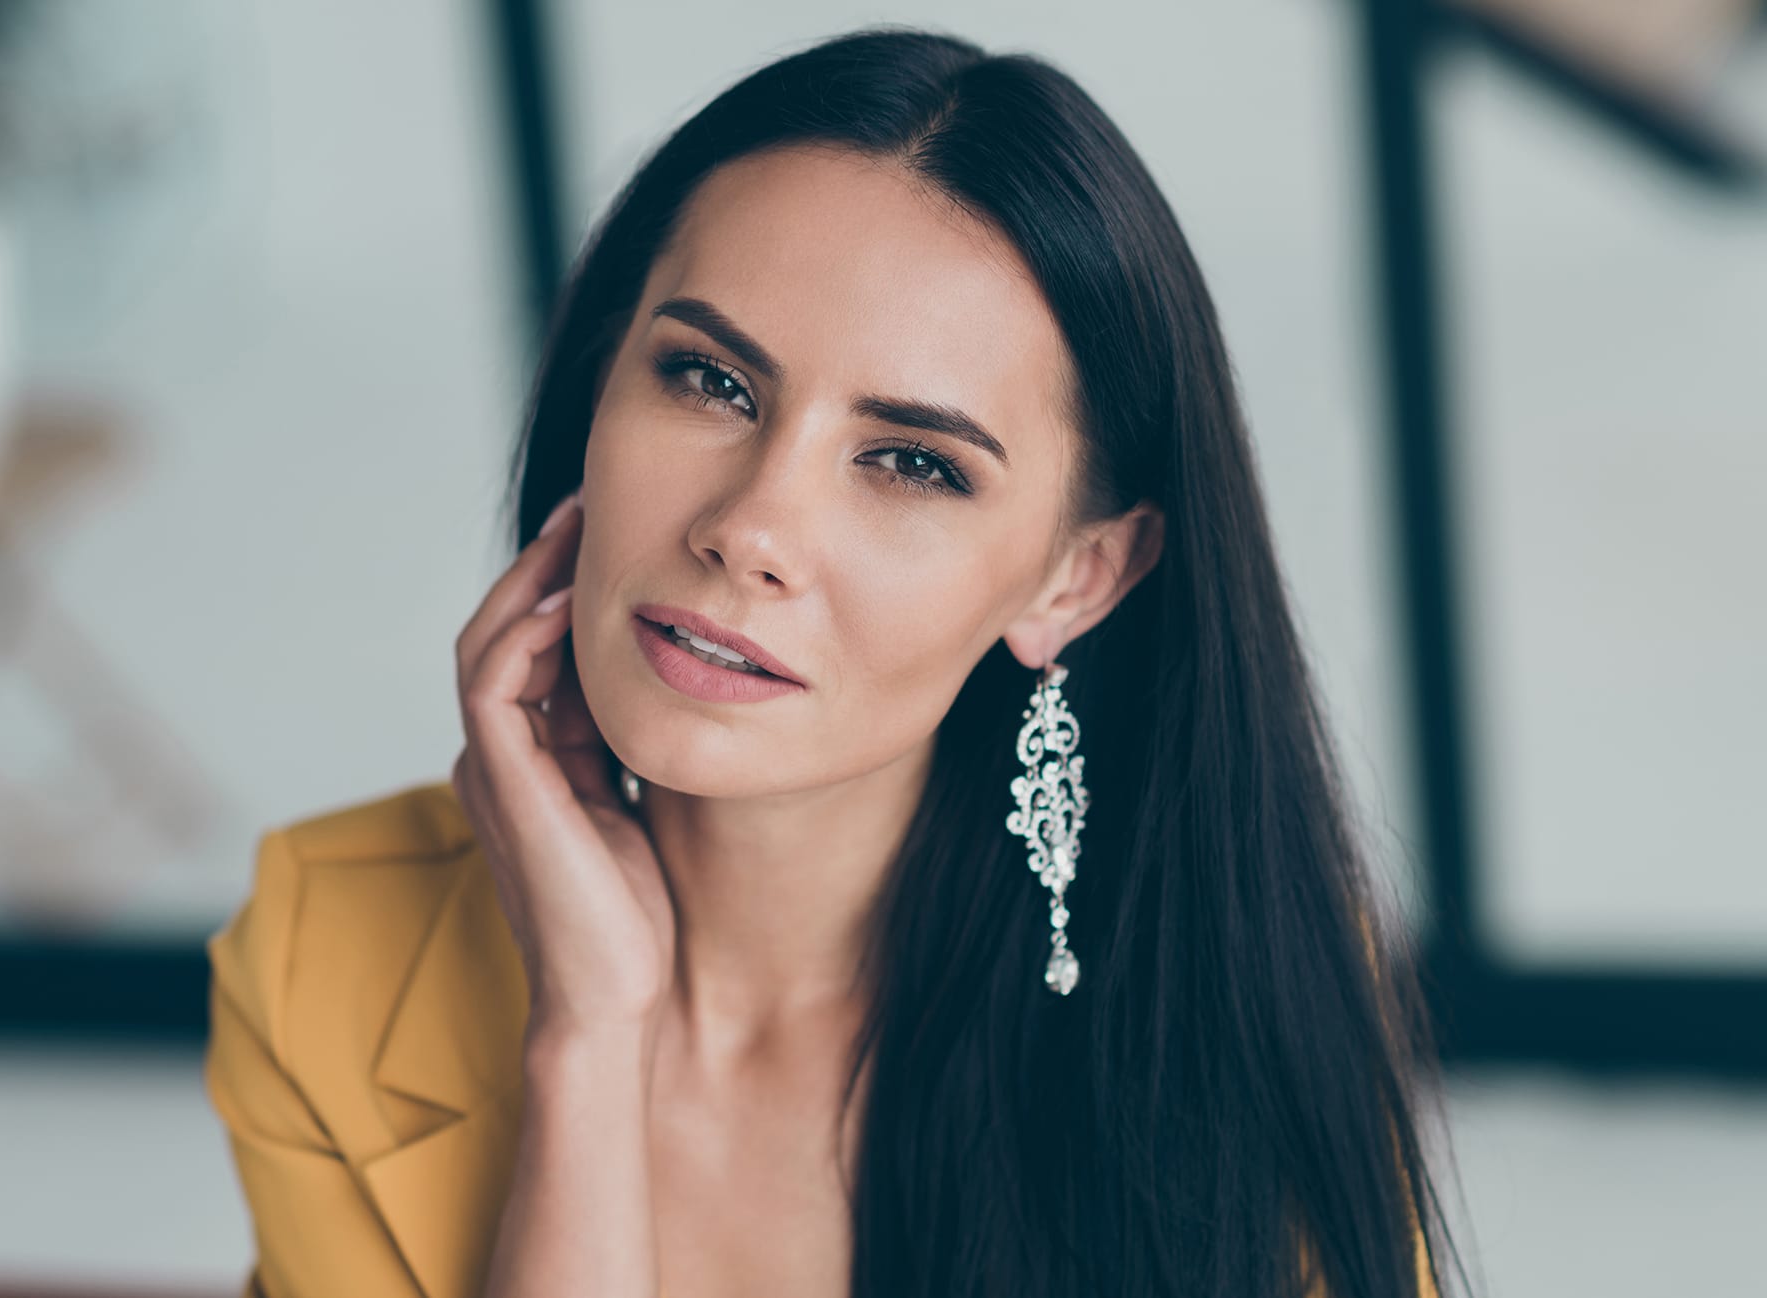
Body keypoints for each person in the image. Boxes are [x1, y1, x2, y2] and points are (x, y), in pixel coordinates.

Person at [203, 23, 1464, 1298]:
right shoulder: (331, 949)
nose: (749, 529)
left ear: (1073, 578)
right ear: (599, 382)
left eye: (913, 462)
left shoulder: (1236, 994)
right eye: (707, 379)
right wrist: (588, 1037)